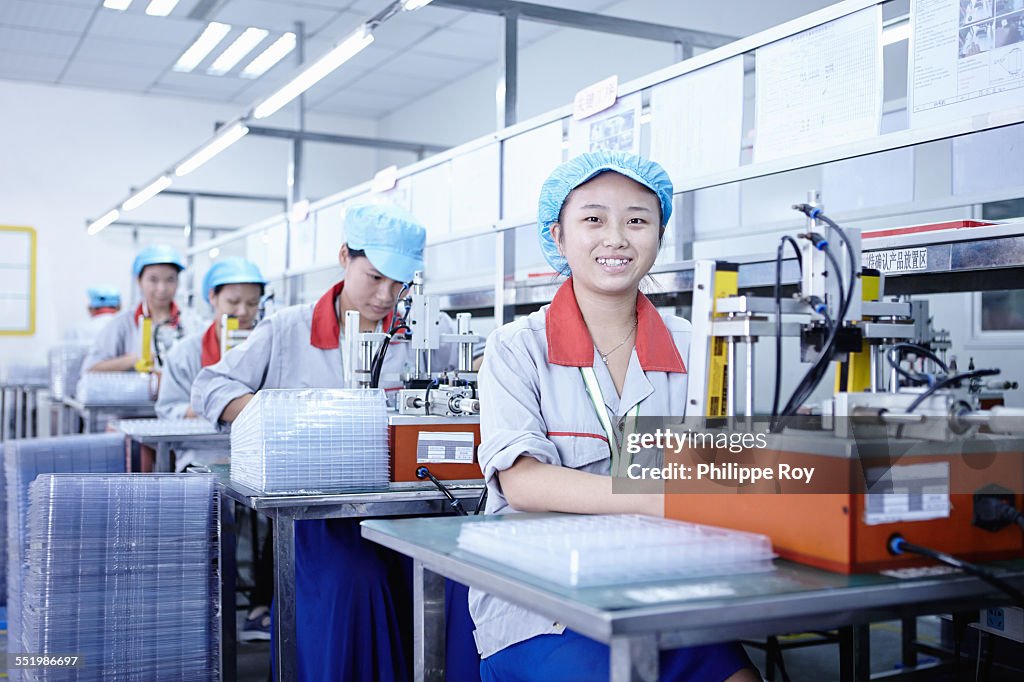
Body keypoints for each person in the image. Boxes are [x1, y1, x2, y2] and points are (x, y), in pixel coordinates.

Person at [470, 151, 759, 682]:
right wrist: (659, 496)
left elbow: (727, 465)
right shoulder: (516, 348)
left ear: (659, 234)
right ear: (558, 236)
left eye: (637, 220)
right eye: (594, 219)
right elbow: (524, 482)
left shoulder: (699, 348)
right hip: (542, 601)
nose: (616, 237)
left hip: (665, 589)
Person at [191, 203, 464, 681]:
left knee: (452, 582)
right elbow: (211, 386)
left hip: (410, 507)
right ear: (344, 257)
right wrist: (278, 419)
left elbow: (483, 358)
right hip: (321, 515)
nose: (386, 296)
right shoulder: (288, 328)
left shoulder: (419, 324)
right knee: (357, 583)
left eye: (399, 284)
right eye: (375, 278)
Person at [156, 257, 266, 420]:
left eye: (252, 303)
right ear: (213, 297)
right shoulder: (184, 354)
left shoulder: (268, 350)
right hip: (198, 444)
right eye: (233, 302)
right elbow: (168, 410)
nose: (243, 311)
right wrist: (218, 407)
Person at [84, 245, 187, 372]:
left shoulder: (190, 324)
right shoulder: (121, 325)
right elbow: (90, 368)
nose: (162, 288)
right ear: (139, 281)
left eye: (170, 279)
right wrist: (133, 360)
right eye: (153, 280)